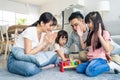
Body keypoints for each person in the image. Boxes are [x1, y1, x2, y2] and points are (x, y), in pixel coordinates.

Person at [7, 12, 58, 77]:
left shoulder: (43, 34)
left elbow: (40, 51)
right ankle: (43, 66)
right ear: (42, 23)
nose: (51, 28)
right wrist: (44, 43)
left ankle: (40, 65)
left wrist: (48, 43)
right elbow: (27, 52)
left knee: (55, 56)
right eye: (50, 25)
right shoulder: (30, 31)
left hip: (29, 57)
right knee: (30, 69)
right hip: (15, 58)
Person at [76, 11, 120, 77]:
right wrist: (80, 36)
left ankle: (110, 65)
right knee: (79, 69)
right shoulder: (90, 34)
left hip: (100, 59)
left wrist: (99, 36)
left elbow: (107, 49)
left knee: (90, 72)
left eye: (89, 22)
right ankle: (93, 66)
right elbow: (83, 47)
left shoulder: (105, 33)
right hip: (91, 59)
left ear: (96, 22)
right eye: (87, 23)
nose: (88, 25)